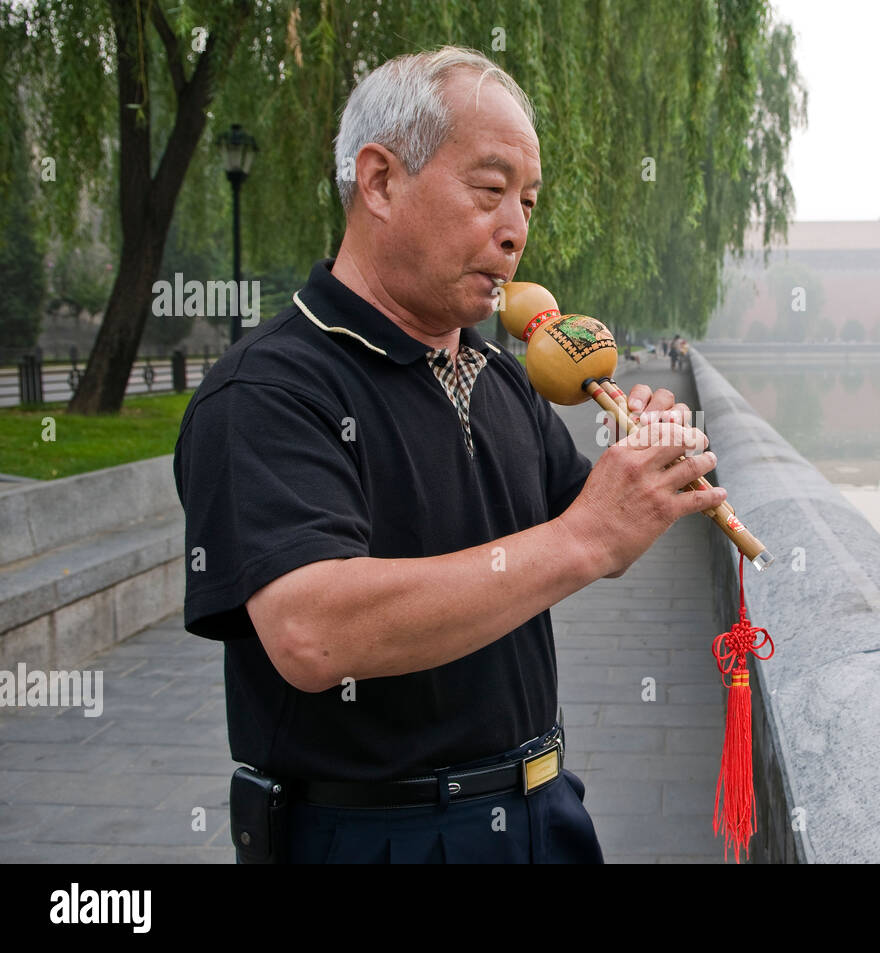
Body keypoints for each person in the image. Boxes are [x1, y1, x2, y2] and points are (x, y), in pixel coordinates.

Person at [172, 47, 725, 864]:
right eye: (490, 190)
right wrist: (587, 536)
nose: (516, 231)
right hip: (375, 835)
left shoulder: (499, 379)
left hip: (546, 809)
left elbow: (584, 537)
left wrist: (637, 476)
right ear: (381, 181)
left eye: (528, 202)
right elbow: (313, 630)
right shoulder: (267, 389)